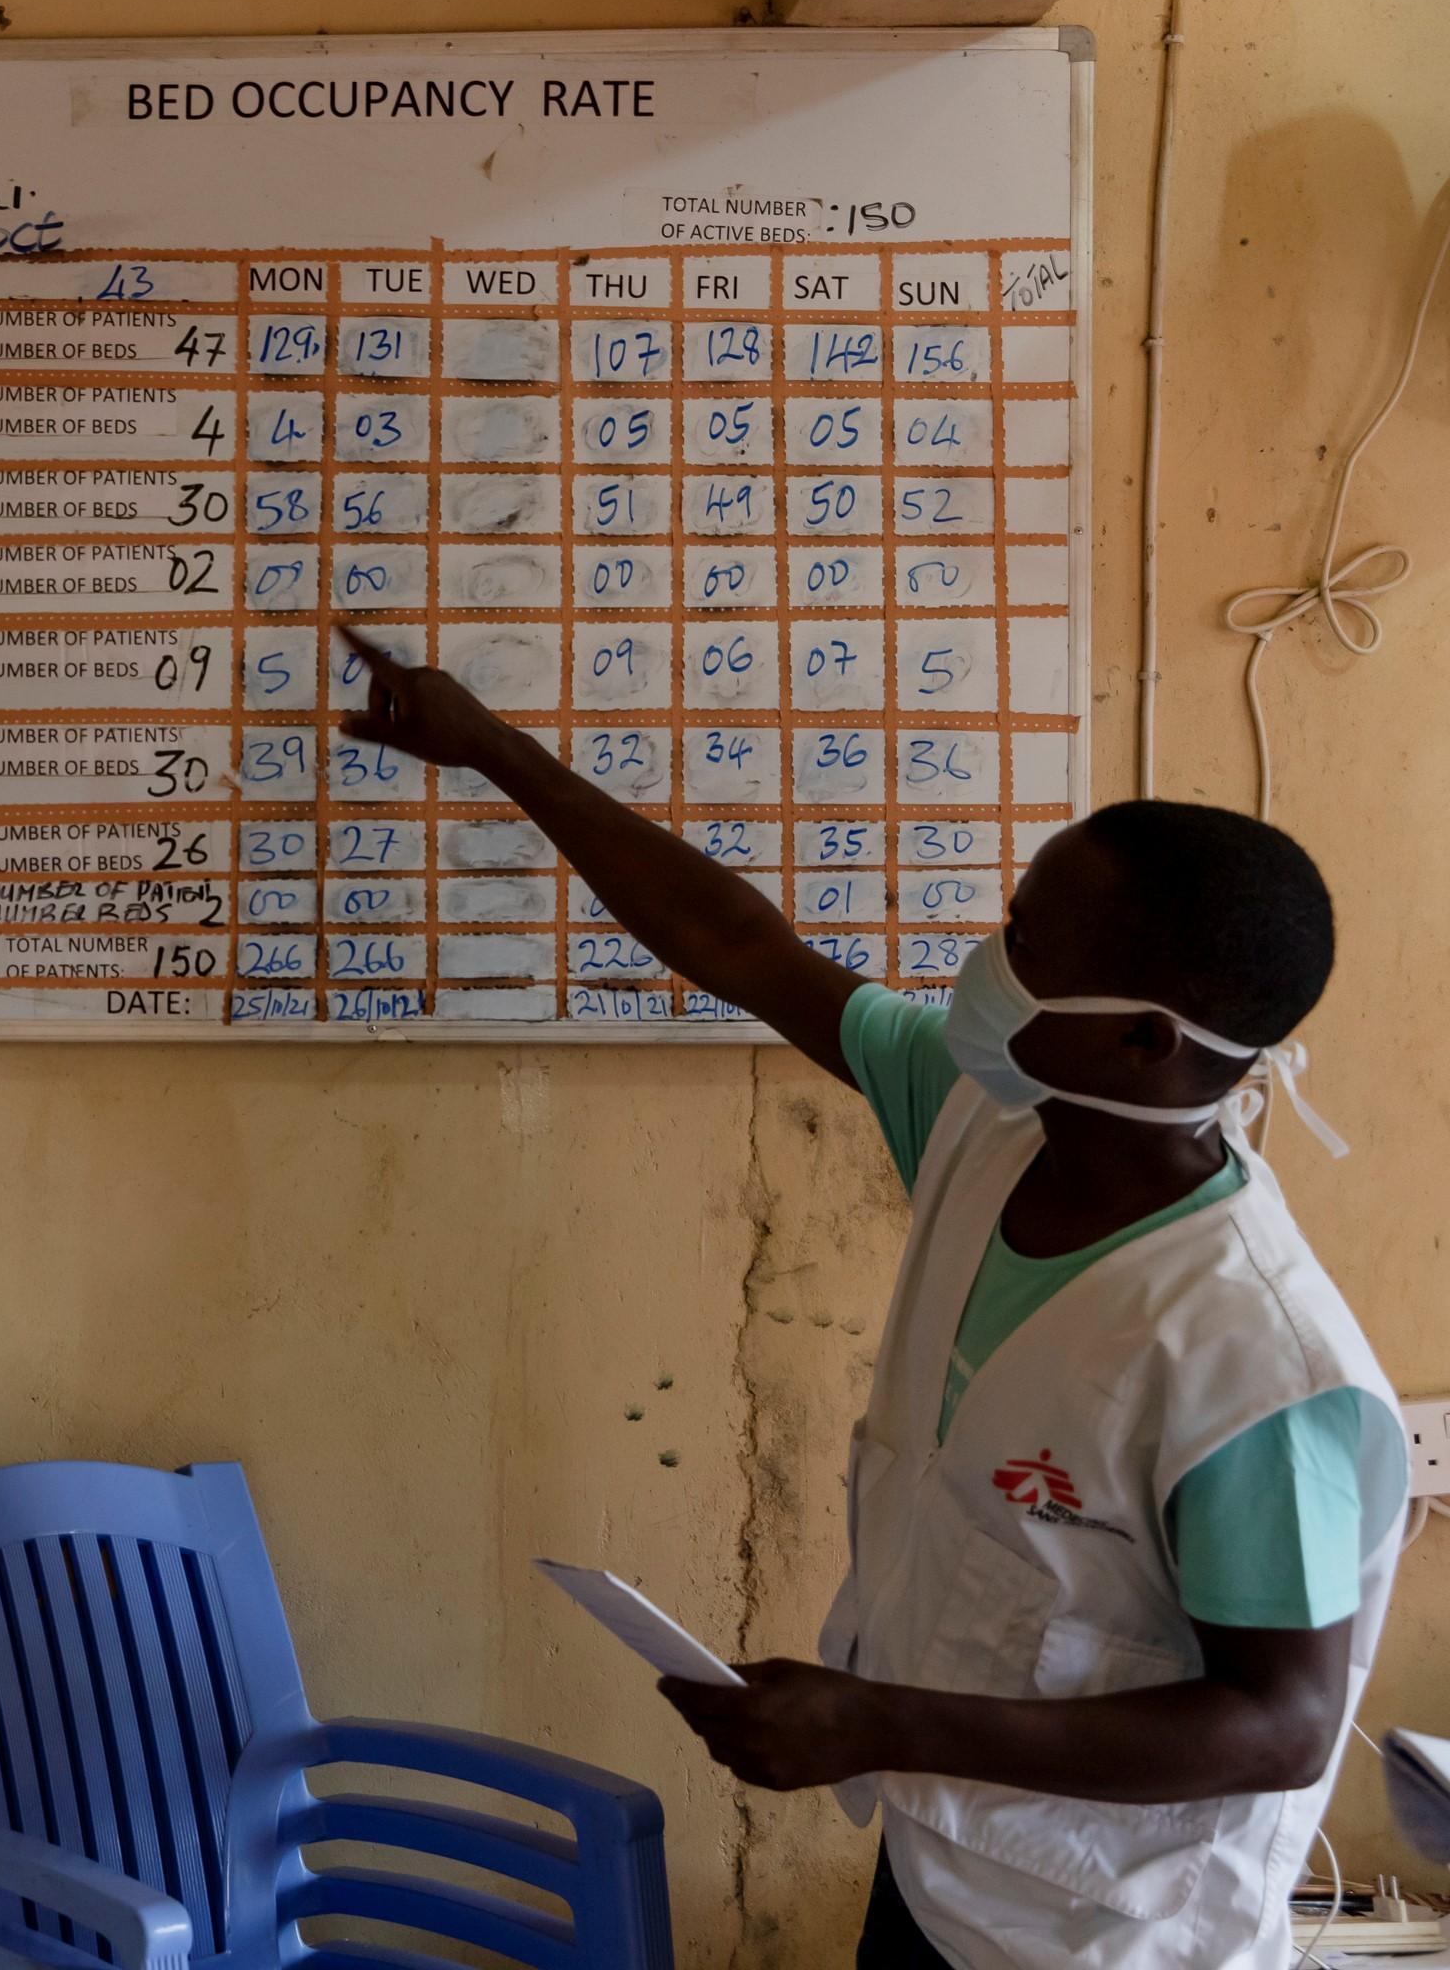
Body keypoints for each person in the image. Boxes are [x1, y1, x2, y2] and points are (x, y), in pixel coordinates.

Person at [336, 626, 1408, 1970]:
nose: (988, 959)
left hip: (1108, 1935)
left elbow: (1279, 1726)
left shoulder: (1256, 1365)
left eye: (1028, 943)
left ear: (1146, 1041)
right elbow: (740, 943)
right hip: (943, 1868)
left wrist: (877, 1722)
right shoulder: (989, 1121)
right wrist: (497, 753)